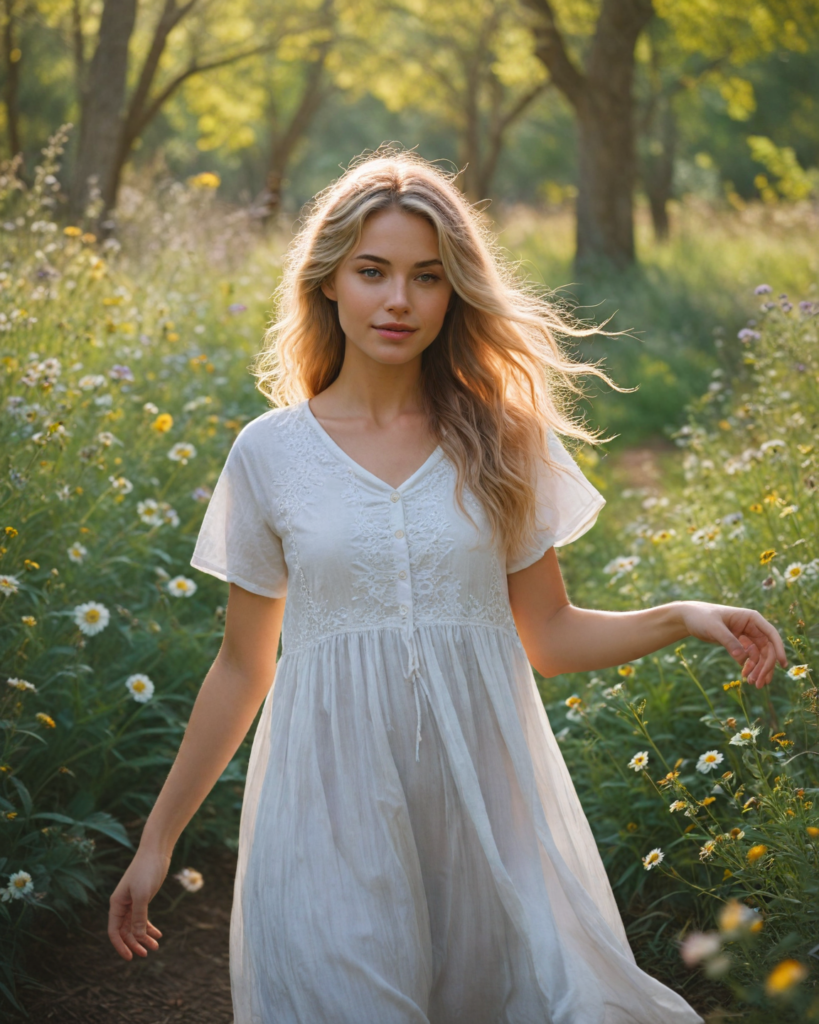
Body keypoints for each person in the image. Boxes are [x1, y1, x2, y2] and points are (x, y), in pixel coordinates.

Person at [108, 149, 787, 1024]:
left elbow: (548, 635)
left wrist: (683, 616)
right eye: (372, 272)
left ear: (454, 291)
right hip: (327, 808)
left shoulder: (501, 440)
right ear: (327, 284)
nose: (398, 300)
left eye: (426, 277)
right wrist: (156, 842)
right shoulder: (268, 453)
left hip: (487, 810)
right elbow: (243, 666)